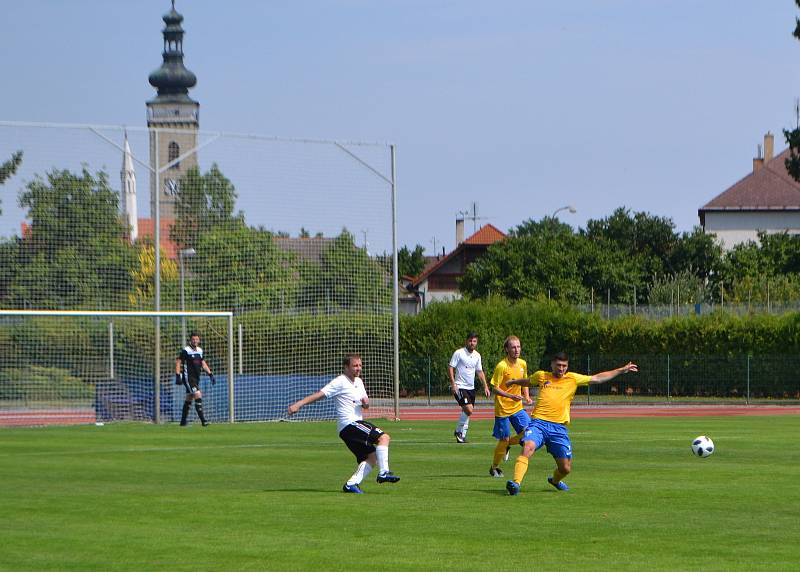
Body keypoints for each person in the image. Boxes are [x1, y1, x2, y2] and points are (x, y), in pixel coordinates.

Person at [503, 351, 638, 495]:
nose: (561, 368)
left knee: (565, 468)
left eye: (564, 366)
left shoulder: (573, 378)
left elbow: (597, 378)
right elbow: (529, 381)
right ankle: (516, 483)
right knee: (527, 447)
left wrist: (621, 370)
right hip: (539, 424)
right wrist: (513, 382)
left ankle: (554, 480)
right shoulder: (542, 376)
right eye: (558, 365)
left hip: (558, 428)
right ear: (552, 364)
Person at [287, 353, 400, 494]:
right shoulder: (340, 381)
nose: (358, 368)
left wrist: (366, 403)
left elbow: (365, 405)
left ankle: (351, 484)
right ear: (346, 367)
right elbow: (320, 394)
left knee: (372, 457)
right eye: (355, 366)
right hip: (350, 424)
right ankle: (384, 473)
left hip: (350, 428)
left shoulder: (358, 382)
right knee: (384, 438)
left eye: (360, 365)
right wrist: (299, 404)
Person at [488, 336, 533, 477]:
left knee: (529, 432)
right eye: (513, 347)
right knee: (504, 439)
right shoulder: (502, 366)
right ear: (507, 349)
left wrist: (526, 396)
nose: (516, 350)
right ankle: (494, 467)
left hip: (517, 407)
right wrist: (510, 396)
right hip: (503, 409)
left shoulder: (522, 364)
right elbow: (494, 387)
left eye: (518, 346)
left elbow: (524, 382)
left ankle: (508, 445)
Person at [448, 332, 490, 443]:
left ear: (476, 342)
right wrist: (453, 383)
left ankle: (462, 435)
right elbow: (451, 367)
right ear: (466, 341)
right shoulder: (459, 353)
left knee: (467, 411)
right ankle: (458, 431)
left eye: (474, 341)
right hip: (460, 386)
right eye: (470, 340)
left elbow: (479, 372)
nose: (472, 343)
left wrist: (485, 386)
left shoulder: (477, 355)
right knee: (469, 409)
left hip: (471, 388)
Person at [175, 332, 216, 427]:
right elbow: (178, 362)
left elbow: (203, 363)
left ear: (199, 340)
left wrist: (210, 374)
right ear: (190, 340)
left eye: (197, 339)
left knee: (189, 398)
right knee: (197, 394)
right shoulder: (186, 350)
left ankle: (183, 422)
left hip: (196, 378)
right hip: (188, 378)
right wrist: (177, 375)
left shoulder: (200, 351)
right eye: (193, 339)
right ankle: (203, 421)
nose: (195, 341)